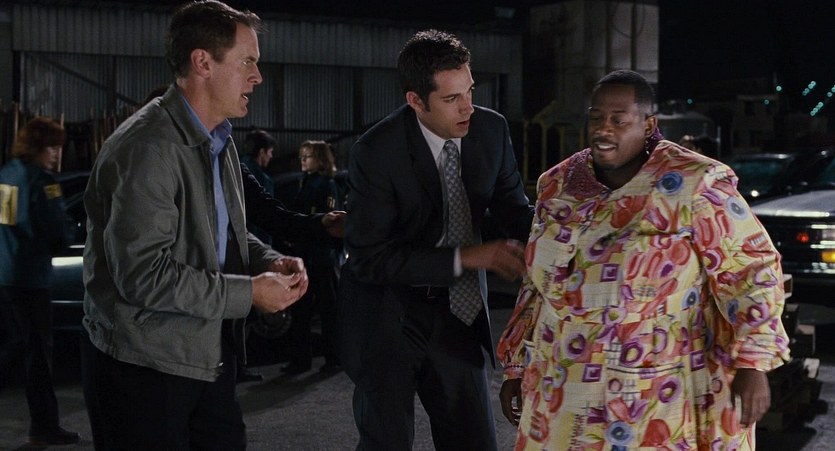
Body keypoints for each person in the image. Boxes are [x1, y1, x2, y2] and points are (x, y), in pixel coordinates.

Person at [497, 70, 790, 450]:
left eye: (618, 120)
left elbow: (750, 269)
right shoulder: (558, 185)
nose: (604, 129)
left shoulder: (694, 184)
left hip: (659, 396)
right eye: (596, 117)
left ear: (648, 125)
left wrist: (753, 362)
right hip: (564, 393)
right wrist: (516, 365)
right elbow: (537, 282)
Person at [80, 1, 308, 449]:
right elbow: (143, 276)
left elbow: (218, 235)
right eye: (247, 62)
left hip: (203, 355)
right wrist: (249, 293)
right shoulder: (148, 148)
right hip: (145, 369)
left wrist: (268, 260)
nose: (257, 77)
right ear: (203, 62)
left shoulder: (218, 140)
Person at [341, 29, 533, 450]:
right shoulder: (377, 151)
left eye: (470, 91)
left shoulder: (491, 130)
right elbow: (370, 259)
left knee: (475, 442)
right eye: (451, 99)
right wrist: (468, 257)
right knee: (386, 442)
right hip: (388, 312)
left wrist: (574, 228)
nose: (468, 107)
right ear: (416, 101)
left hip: (458, 312)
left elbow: (515, 212)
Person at [0, 117, 79, 445]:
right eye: (52, 147)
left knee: (16, 347)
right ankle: (44, 426)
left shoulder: (8, 174)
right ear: (36, 147)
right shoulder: (44, 182)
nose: (57, 154)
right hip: (32, 277)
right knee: (38, 357)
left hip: (7, 272)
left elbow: (6, 221)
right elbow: (56, 229)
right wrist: (67, 237)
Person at [282, 140, 341, 374]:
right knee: (301, 311)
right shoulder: (304, 181)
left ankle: (334, 360)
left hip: (321, 257)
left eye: (308, 156)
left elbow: (330, 221)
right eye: (302, 156)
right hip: (305, 255)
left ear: (321, 160)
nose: (303, 160)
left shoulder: (327, 184)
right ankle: (301, 360)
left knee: (328, 312)